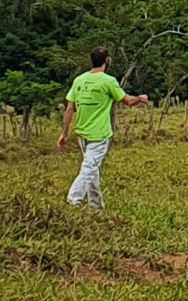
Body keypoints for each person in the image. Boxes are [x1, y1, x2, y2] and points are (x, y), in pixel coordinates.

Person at [58, 48, 147, 208]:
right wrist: (140, 98)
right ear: (107, 61)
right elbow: (127, 101)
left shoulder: (79, 80)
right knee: (89, 168)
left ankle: (97, 207)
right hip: (99, 134)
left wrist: (63, 133)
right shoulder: (109, 81)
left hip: (82, 134)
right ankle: (73, 199)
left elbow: (69, 109)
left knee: (92, 170)